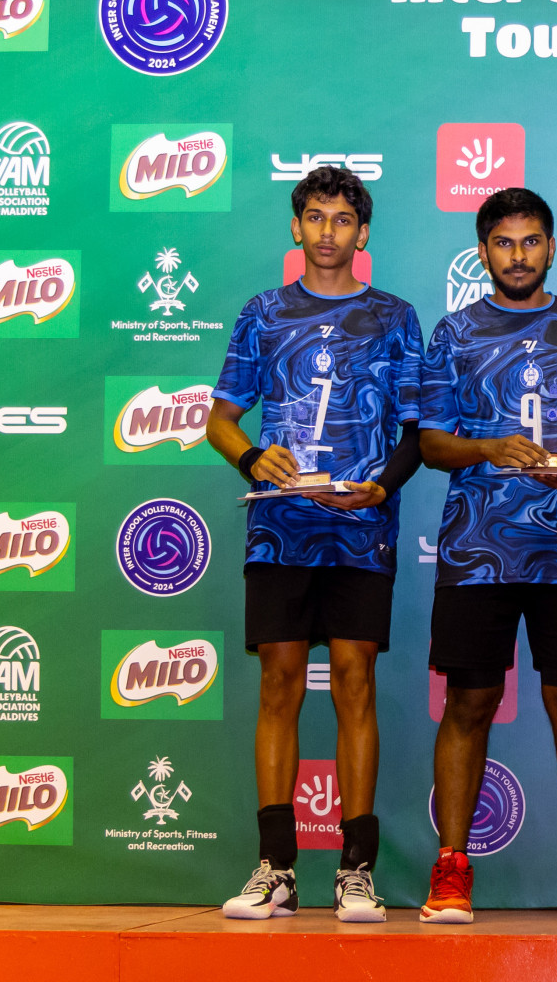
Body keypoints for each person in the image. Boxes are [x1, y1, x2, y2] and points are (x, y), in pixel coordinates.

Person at [416, 188, 557, 925]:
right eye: (504, 243)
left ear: (550, 246)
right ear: (484, 250)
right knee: (469, 703)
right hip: (478, 551)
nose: (519, 255)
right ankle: (451, 870)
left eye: (532, 241)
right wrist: (488, 448)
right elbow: (430, 443)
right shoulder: (453, 333)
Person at [208, 165, 423, 923]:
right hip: (279, 528)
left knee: (357, 682)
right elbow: (221, 417)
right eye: (316, 217)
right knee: (280, 686)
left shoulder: (395, 317)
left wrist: (383, 486)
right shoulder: (262, 313)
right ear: (296, 227)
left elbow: (417, 431)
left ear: (362, 235)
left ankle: (356, 873)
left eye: (343, 220)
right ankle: (276, 869)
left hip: (362, 530)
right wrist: (247, 456)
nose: (328, 231)